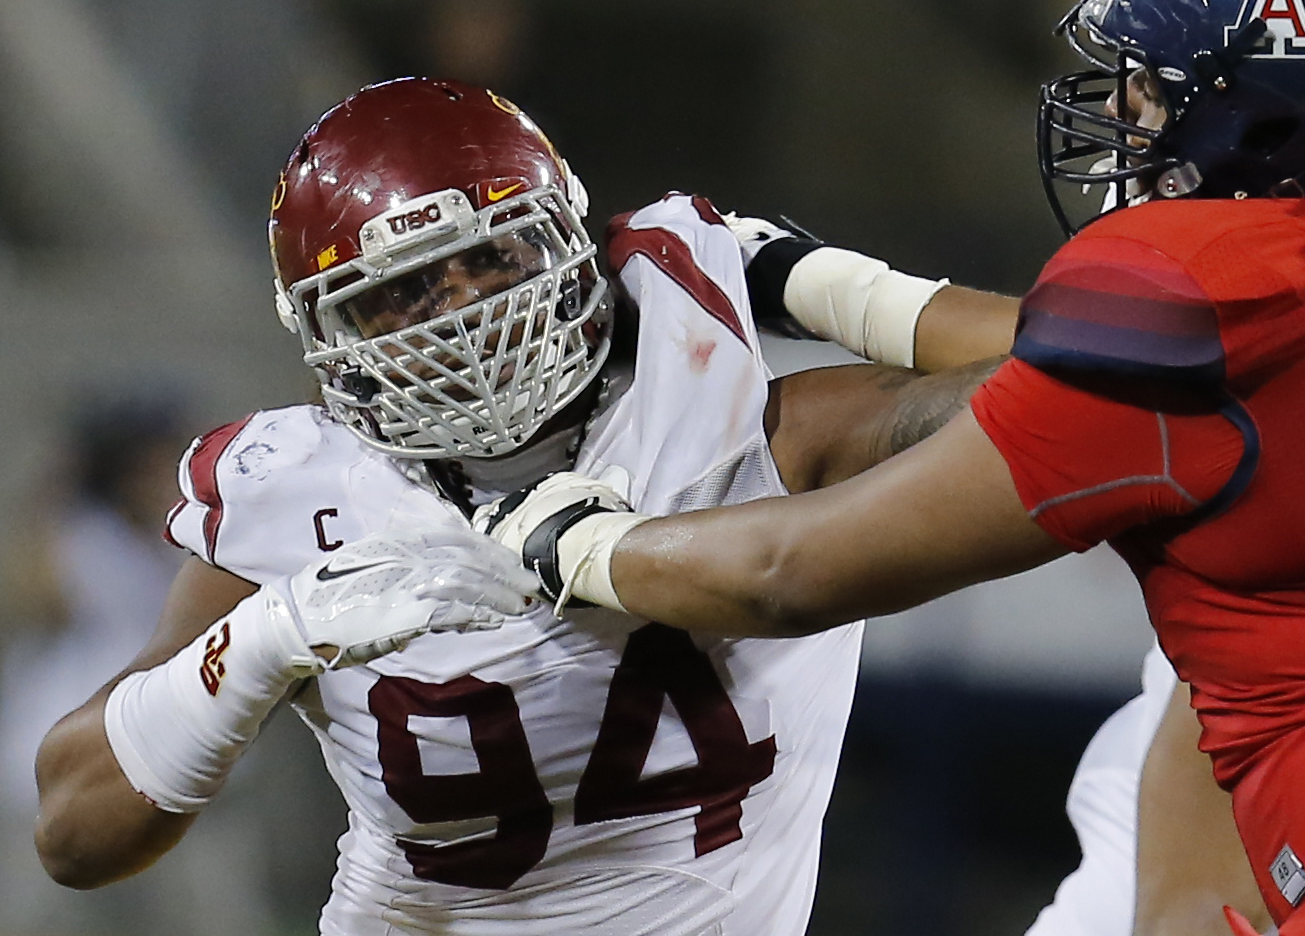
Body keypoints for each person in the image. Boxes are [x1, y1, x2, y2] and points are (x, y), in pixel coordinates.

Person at [31, 77, 1014, 935]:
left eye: (491, 259)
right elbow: (74, 831)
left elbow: (1076, 378)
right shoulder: (297, 494)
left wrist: (840, 291)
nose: (463, 314)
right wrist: (262, 641)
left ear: (572, 248)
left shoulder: (727, 416)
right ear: (330, 336)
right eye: (405, 291)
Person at [478, 2, 1305, 933]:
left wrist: (573, 542)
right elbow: (1128, 371)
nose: (1119, 106)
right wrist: (826, 287)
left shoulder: (1185, 305)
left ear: (1261, 116)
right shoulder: (1227, 309)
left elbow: (788, 575)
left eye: (1152, 88)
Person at [0, 396, 278, 936]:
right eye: (151, 459)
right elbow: (31, 600)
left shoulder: (207, 537)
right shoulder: (74, 536)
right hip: (62, 779)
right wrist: (58, 485)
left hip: (193, 771)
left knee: (213, 918)